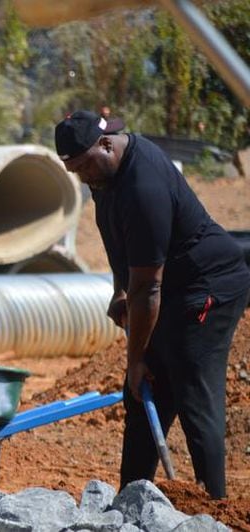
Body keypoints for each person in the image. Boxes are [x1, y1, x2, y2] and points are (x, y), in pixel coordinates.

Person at [54, 110, 250, 499]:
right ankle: (131, 503)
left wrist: (135, 358)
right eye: (73, 170)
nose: (82, 177)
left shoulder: (143, 186)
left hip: (207, 285)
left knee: (192, 389)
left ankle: (215, 509)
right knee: (143, 396)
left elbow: (148, 288)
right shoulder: (103, 173)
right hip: (166, 288)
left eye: (84, 167)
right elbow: (118, 243)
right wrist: (119, 290)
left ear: (106, 143)